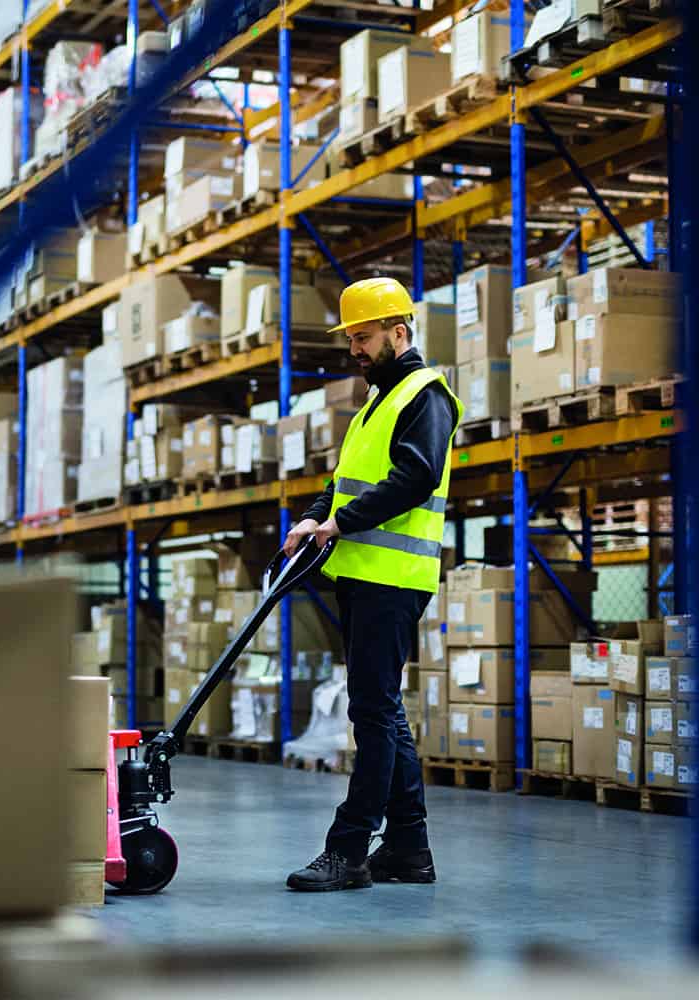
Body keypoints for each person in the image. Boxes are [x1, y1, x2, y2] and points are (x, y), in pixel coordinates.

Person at [280, 276, 463, 892]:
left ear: (399, 332)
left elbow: (415, 477)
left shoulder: (424, 394)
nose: (355, 348)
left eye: (364, 336)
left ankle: (349, 849)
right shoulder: (372, 405)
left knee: (374, 713)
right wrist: (314, 514)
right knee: (382, 710)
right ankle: (409, 849)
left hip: (391, 577)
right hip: (360, 574)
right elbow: (346, 481)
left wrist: (341, 522)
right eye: (351, 337)